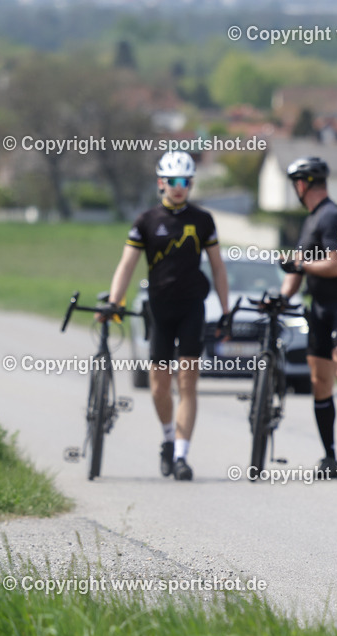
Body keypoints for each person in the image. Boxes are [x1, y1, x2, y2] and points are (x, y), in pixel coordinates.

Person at [99, 150, 230, 481]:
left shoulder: (203, 220)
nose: (179, 187)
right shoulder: (146, 221)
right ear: (161, 183)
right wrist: (115, 300)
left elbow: (217, 267)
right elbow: (126, 265)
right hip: (158, 308)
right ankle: (169, 439)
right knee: (159, 386)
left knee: (187, 381)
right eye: (173, 181)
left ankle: (183, 456)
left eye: (185, 181)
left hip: (192, 308)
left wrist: (226, 310)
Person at [278, 156, 337, 476]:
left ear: (304, 183)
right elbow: (298, 265)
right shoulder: (309, 221)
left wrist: (302, 266)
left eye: (296, 182)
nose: (295, 188)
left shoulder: (332, 216)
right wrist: (280, 299)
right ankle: (329, 457)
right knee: (319, 382)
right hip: (318, 311)